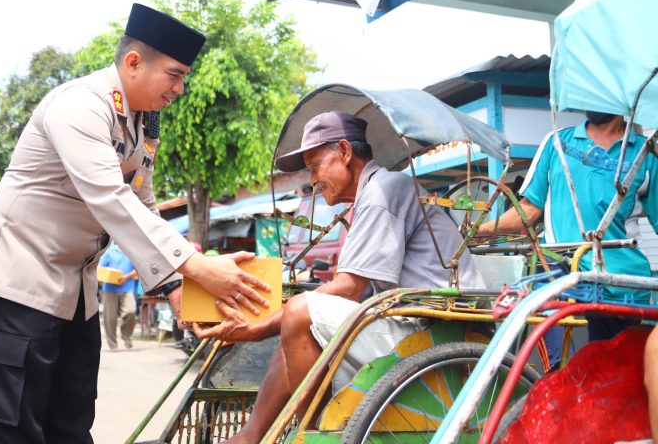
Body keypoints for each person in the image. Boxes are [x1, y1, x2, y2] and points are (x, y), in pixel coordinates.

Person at [0, 4, 270, 443]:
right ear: (132, 63)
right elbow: (111, 197)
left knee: (70, 421)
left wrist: (174, 285)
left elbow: (142, 204)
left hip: (76, 292)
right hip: (19, 283)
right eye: (175, 74)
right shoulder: (79, 105)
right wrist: (198, 267)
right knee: (12, 427)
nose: (181, 88)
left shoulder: (143, 125)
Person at [194, 111, 486, 443]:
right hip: (413, 322)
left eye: (314, 166)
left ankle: (313, 433)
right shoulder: (371, 195)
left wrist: (257, 328)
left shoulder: (382, 192)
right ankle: (251, 435)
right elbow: (347, 288)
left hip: (438, 329)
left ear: (345, 152)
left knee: (301, 313)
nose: (313, 180)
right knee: (295, 328)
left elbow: (348, 289)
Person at [477, 112, 658, 353]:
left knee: (614, 365)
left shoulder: (646, 156)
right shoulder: (556, 143)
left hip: (619, 276)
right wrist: (483, 229)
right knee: (555, 346)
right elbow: (529, 210)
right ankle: (557, 381)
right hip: (559, 263)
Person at [98, 242, 138, 351]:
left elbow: (138, 269)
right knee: (110, 318)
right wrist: (109, 276)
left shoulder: (132, 252)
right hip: (109, 288)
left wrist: (126, 277)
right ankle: (113, 345)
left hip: (127, 288)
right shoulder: (110, 252)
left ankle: (126, 336)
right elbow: (100, 269)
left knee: (131, 311)